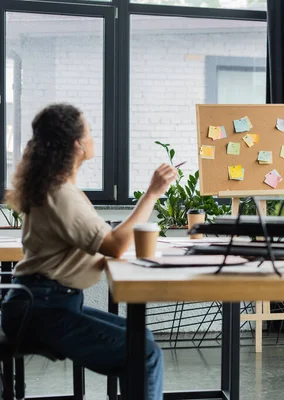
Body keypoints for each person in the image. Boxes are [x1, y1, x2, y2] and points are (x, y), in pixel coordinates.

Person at [1, 103, 178, 399]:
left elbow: (101, 239)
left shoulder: (57, 188)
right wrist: (152, 194)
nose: (94, 138)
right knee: (144, 353)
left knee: (141, 339)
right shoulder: (61, 193)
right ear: (77, 145)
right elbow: (115, 246)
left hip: (42, 303)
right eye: (90, 132)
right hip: (43, 308)